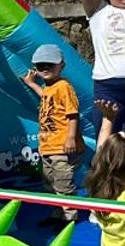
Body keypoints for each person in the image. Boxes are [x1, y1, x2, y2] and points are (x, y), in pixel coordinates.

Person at [23, 43, 82, 227]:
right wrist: (32, 83)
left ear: (61, 66)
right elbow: (45, 96)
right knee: (50, 184)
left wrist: (71, 137)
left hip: (62, 146)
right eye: (41, 66)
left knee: (63, 183)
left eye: (50, 65)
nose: (45, 69)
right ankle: (57, 214)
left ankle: (69, 217)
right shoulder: (49, 88)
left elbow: (72, 113)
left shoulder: (64, 86)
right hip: (48, 147)